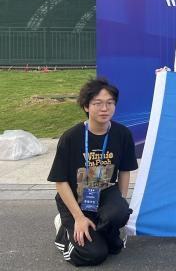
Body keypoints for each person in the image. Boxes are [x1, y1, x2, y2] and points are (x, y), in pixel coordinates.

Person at [48, 78, 138, 266]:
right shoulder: (71, 137)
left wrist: (120, 201)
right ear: (86, 106)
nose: (104, 108)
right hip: (76, 198)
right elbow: (60, 182)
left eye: (110, 103)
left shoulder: (122, 134)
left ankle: (100, 228)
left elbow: (124, 171)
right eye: (98, 103)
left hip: (104, 192)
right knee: (95, 254)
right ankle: (64, 230)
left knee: (119, 219)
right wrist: (79, 217)